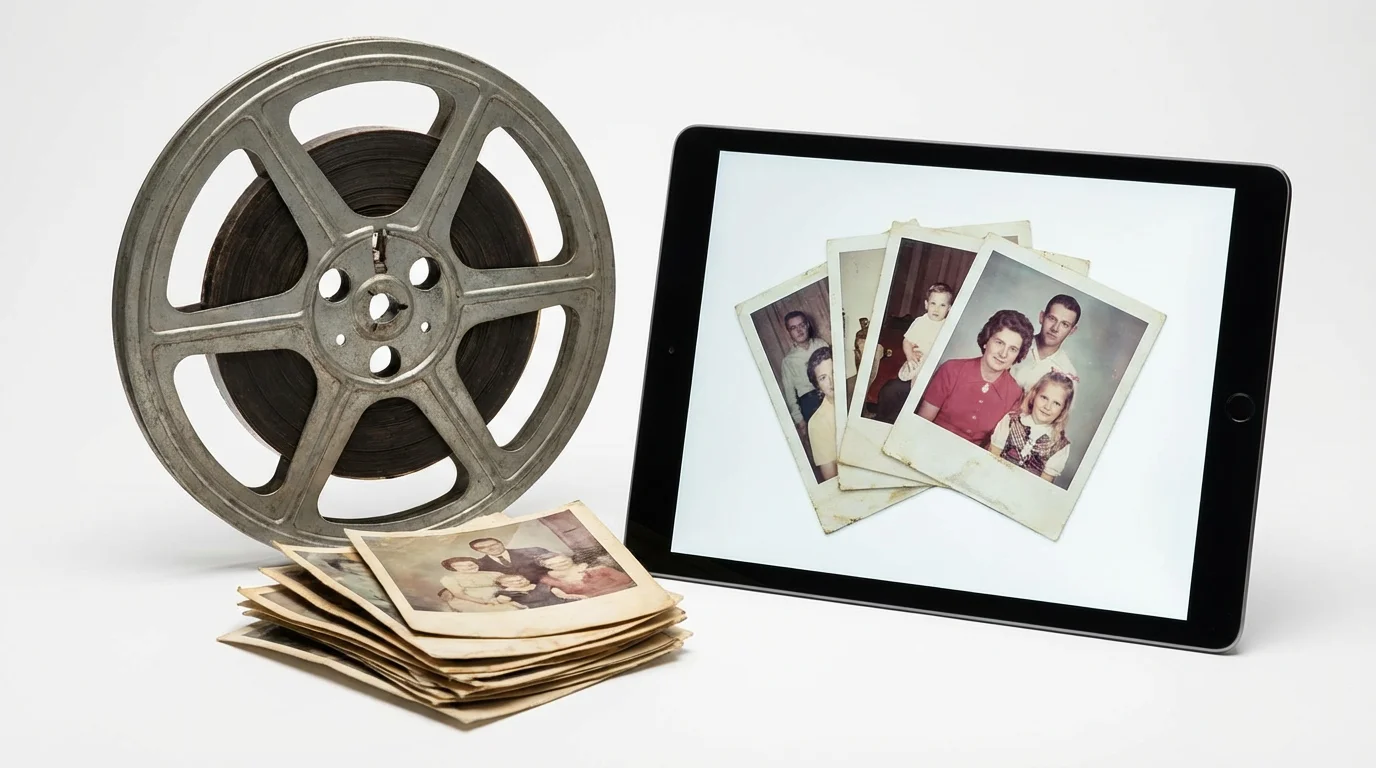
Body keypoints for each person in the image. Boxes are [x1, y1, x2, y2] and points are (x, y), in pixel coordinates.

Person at [916, 309, 1036, 446]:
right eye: (999, 342)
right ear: (986, 341)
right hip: (929, 444)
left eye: (1013, 349)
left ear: (1018, 356)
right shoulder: (951, 370)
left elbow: (994, 446)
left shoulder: (1015, 393)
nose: (1003, 354)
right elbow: (921, 423)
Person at [873, 283, 955, 422]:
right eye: (933, 303)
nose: (936, 309)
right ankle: (888, 415)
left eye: (942, 305)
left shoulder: (947, 326)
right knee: (892, 390)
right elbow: (907, 341)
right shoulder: (921, 321)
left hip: (933, 368)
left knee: (921, 389)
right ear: (926, 304)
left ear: (949, 308)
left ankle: (911, 407)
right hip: (916, 362)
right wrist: (910, 356)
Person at [987, 371, 1076, 482]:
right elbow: (992, 458)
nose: (1047, 407)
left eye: (1056, 403)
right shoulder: (1010, 421)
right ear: (1034, 395)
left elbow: (1043, 485)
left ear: (1063, 409)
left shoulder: (1060, 445)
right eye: (1044, 398)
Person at [1010, 294, 1082, 391]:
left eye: (1064, 324)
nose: (1055, 328)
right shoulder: (1014, 345)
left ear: (1072, 330)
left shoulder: (1068, 373)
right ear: (1041, 317)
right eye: (1052, 319)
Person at [778, 310, 830, 444]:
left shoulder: (821, 344)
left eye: (801, 325)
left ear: (807, 325)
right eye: (793, 328)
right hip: (809, 401)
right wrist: (800, 421)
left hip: (829, 392)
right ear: (789, 332)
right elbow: (790, 394)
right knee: (824, 441)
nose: (799, 330)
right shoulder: (788, 361)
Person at [436, 557, 521, 611]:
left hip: (500, 597)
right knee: (508, 610)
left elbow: (509, 586)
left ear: (477, 564)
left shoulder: (495, 573)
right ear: (453, 568)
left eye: (471, 564)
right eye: (460, 566)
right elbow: (460, 595)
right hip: (470, 601)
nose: (468, 567)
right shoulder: (449, 578)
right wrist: (485, 601)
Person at [804, 346, 838, 481]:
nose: (831, 381)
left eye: (834, 372)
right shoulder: (817, 423)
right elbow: (831, 478)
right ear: (817, 385)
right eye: (823, 378)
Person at [536, 554, 635, 598]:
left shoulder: (598, 568)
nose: (561, 564)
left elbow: (626, 579)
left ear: (570, 558)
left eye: (563, 561)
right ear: (547, 567)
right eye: (553, 564)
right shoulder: (548, 580)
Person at [466, 537, 559, 584]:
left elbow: (558, 564)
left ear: (501, 543)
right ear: (478, 551)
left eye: (493, 545)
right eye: (483, 547)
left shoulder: (533, 551)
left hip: (552, 584)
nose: (491, 549)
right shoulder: (479, 565)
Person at [494, 573, 584, 608]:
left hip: (560, 603)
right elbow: (505, 604)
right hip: (538, 609)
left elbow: (562, 595)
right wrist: (520, 607)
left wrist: (576, 596)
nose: (518, 582)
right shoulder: (507, 593)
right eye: (512, 582)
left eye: (520, 579)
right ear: (504, 585)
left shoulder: (542, 585)